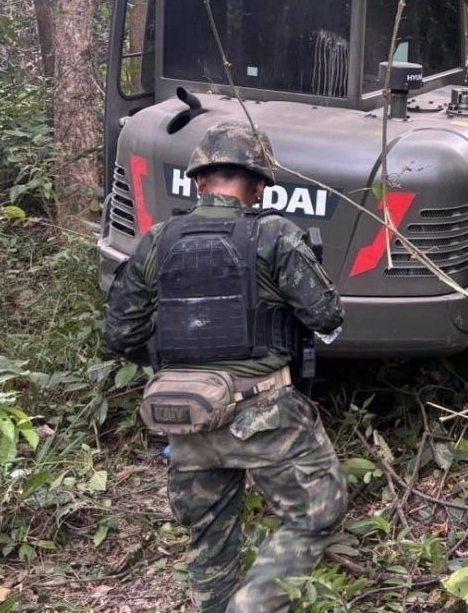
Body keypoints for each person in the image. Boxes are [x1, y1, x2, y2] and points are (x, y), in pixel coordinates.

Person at [104, 121, 347, 613]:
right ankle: (253, 606)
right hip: (264, 413)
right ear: (258, 185)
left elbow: (120, 334)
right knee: (319, 511)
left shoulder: (157, 240)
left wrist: (181, 369)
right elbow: (326, 315)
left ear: (199, 182)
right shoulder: (274, 234)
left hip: (185, 416)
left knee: (211, 541)